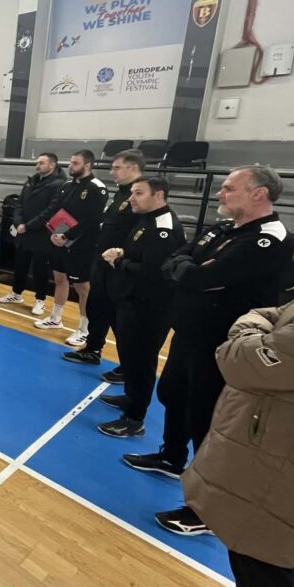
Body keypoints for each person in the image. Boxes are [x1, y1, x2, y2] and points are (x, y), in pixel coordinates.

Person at [184, 200, 294, 587]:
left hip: (292, 459)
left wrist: (250, 326)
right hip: (283, 447)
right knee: (265, 554)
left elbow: (240, 361)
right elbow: (277, 316)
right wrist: (266, 324)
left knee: (269, 563)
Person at [122, 166, 293, 536]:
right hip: (190, 332)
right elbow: (178, 261)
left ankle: (207, 509)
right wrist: (193, 272)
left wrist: (193, 272)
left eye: (229, 188)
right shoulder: (224, 228)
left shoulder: (269, 239)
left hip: (223, 344)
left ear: (259, 194)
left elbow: (200, 276)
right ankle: (172, 457)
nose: (219, 194)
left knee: (208, 419)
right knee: (173, 393)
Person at [95, 177, 185, 438]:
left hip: (150, 306)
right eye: (132, 193)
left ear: (158, 195)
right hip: (132, 300)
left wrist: (118, 262)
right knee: (130, 358)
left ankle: (134, 420)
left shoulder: (163, 227)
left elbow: (154, 271)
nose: (131, 198)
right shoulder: (145, 219)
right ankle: (130, 397)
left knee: (142, 361)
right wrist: (123, 254)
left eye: (138, 193)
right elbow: (142, 254)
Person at [62, 149, 145, 384]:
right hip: (102, 261)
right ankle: (92, 349)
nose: (112, 172)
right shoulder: (121, 194)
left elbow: (138, 233)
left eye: (117, 167)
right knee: (98, 308)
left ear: (133, 168)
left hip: (119, 266)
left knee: (121, 321)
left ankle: (128, 367)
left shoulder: (139, 196)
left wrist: (122, 256)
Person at [34, 150, 108, 344]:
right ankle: (55, 318)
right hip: (60, 240)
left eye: (75, 163)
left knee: (82, 287)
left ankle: (84, 329)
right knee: (59, 278)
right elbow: (58, 211)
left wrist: (68, 236)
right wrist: (54, 232)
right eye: (70, 162)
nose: (70, 166)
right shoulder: (67, 186)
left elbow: (92, 219)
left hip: (82, 244)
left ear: (87, 165)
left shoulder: (96, 187)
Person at [0, 153, 66, 312]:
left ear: (52, 165)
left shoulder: (58, 184)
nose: (37, 166)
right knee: (20, 264)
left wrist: (29, 225)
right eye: (37, 163)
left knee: (39, 269)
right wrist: (18, 222)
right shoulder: (30, 181)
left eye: (41, 163)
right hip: (23, 232)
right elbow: (19, 204)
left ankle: (40, 300)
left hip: (42, 233)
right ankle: (16, 293)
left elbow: (51, 210)